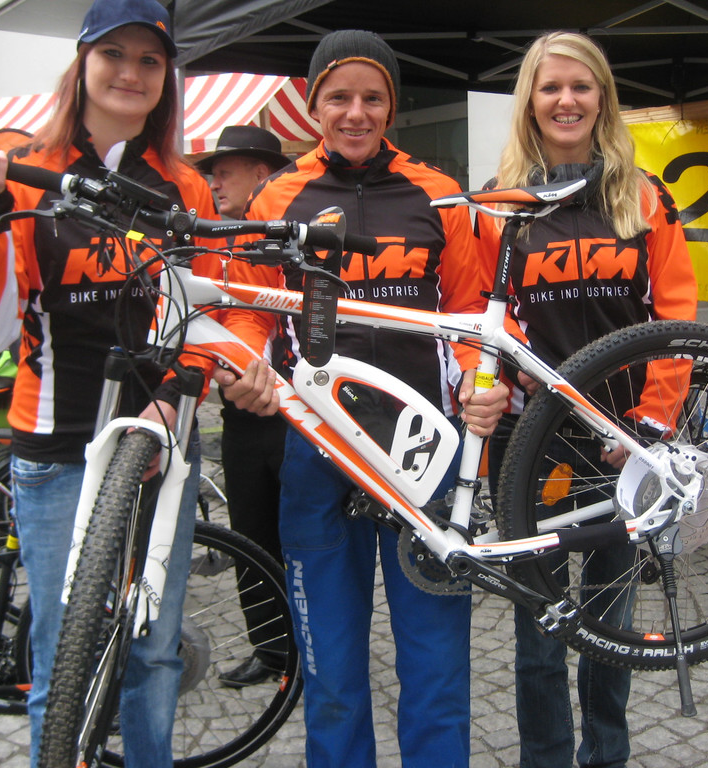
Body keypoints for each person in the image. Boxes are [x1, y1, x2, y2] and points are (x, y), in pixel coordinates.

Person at [211, 29, 509, 767]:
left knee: (436, 669)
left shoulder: (438, 193)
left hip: (423, 448)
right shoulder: (278, 196)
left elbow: (469, 312)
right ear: (315, 106)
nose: (355, 113)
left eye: (372, 98)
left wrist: (484, 385)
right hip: (318, 447)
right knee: (333, 672)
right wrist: (244, 362)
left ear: (391, 107)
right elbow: (249, 310)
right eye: (339, 97)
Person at [0, 0, 218, 765]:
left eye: (150, 60)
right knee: (63, 653)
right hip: (58, 448)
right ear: (83, 64)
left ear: (167, 77)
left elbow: (205, 318)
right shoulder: (25, 171)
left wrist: (174, 402)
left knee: (153, 651)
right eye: (113, 55)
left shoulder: (185, 187)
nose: (131, 72)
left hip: (163, 441)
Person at [477, 31, 698, 768]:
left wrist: (653, 420)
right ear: (530, 102)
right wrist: (509, 374)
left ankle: (607, 754)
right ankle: (544, 757)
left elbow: (674, 318)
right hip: (530, 443)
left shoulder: (644, 195)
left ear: (603, 97)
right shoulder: (500, 202)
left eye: (581, 86)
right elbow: (483, 314)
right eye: (550, 88)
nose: (566, 100)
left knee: (611, 624)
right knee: (539, 628)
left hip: (624, 442)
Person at [197, 125, 294, 687]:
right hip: (238, 411)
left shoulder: (290, 234)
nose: (215, 183)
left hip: (297, 411)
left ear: (261, 174)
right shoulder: (212, 243)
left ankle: (313, 645)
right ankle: (271, 648)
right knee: (250, 531)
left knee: (303, 536)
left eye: (224, 172)